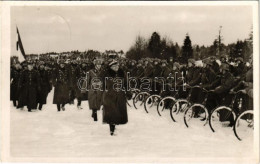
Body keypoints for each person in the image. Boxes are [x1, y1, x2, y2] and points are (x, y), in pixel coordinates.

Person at [100, 60, 132, 135]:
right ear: (110, 67)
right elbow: (102, 85)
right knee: (111, 112)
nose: (116, 67)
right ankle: (112, 129)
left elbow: (126, 84)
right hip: (109, 96)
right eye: (114, 66)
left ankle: (114, 124)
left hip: (120, 96)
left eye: (117, 66)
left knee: (118, 111)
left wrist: (128, 93)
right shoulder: (106, 74)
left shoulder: (122, 73)